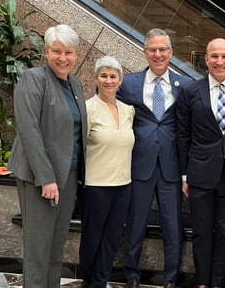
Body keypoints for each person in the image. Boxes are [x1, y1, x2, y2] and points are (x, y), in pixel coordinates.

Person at [8, 24, 87, 288]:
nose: (63, 58)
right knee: (38, 250)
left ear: (76, 54)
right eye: (57, 51)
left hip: (69, 176)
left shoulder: (75, 83)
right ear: (46, 52)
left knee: (55, 249)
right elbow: (30, 131)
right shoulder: (33, 79)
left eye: (69, 52)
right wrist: (46, 178)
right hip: (40, 179)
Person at [176, 38, 225, 288]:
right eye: (214, 56)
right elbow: (182, 134)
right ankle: (202, 283)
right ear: (206, 59)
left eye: (224, 56)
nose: (219, 61)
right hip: (200, 173)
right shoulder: (190, 90)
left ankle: (217, 282)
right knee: (201, 231)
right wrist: (184, 174)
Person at [118, 28, 192, 288]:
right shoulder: (128, 83)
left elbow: (190, 128)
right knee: (135, 222)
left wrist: (188, 172)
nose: (158, 54)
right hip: (139, 165)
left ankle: (171, 278)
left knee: (173, 226)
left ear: (171, 53)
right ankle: (131, 275)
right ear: (144, 52)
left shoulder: (186, 86)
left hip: (172, 168)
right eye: (153, 49)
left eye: (163, 49)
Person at [79, 55, 135, 288]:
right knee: (92, 237)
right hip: (95, 185)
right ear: (96, 78)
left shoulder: (128, 110)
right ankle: (88, 279)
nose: (108, 80)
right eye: (104, 75)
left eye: (113, 76)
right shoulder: (88, 108)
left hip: (123, 185)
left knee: (112, 237)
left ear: (120, 80)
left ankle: (100, 281)